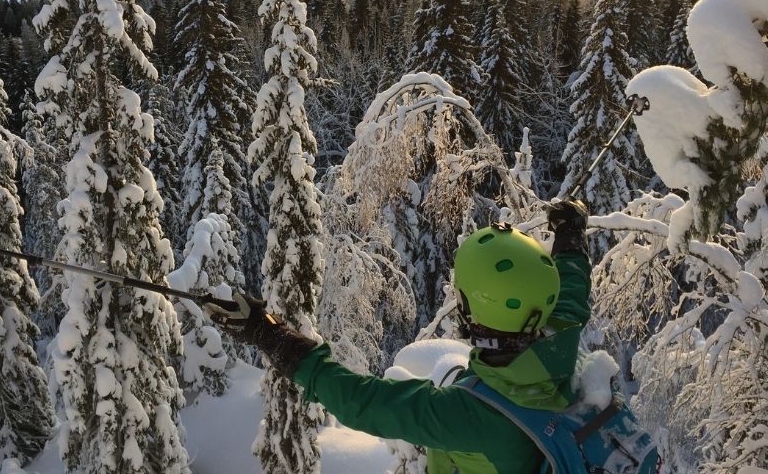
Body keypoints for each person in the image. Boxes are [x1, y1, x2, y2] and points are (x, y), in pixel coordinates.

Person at [206, 199, 592, 474]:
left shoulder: (468, 416)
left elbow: (363, 402)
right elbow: (570, 292)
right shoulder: (558, 343)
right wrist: (571, 237)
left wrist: (269, 335)